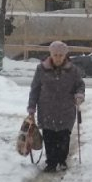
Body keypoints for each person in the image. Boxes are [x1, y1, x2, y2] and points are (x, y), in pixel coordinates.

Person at [28, 40, 85, 173]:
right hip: (47, 110)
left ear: (65, 55)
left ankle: (62, 161)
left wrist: (79, 95)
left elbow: (80, 85)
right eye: (55, 55)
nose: (58, 58)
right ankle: (51, 163)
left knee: (64, 137)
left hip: (66, 111)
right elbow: (35, 89)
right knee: (49, 138)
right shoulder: (41, 69)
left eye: (60, 55)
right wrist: (31, 107)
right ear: (50, 55)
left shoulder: (73, 70)